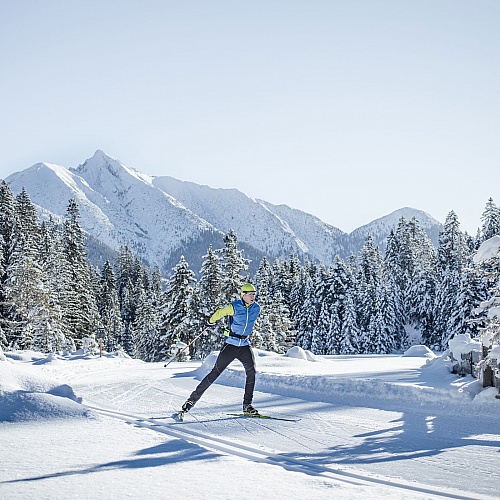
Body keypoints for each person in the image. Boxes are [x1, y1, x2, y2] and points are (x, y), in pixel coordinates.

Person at [180, 283, 261, 416]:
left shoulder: (256, 308)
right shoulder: (234, 307)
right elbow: (220, 312)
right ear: (243, 295)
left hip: (245, 345)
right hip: (230, 345)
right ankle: (191, 401)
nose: (253, 297)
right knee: (214, 373)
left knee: (251, 372)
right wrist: (210, 321)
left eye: (254, 294)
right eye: (250, 294)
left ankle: (247, 405)